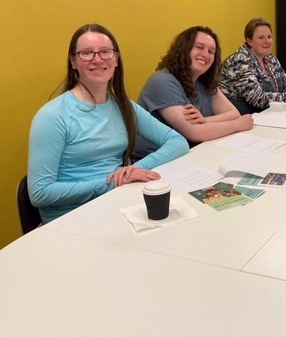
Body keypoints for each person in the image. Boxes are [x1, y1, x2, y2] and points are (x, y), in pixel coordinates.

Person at [28, 24, 189, 224]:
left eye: (105, 52)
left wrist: (133, 171)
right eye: (86, 53)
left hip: (117, 202)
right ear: (73, 62)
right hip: (72, 218)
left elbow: (177, 141)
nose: (97, 59)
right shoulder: (52, 116)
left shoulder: (122, 105)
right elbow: (40, 193)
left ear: (116, 60)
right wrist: (112, 184)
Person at [137, 26, 254, 152]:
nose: (205, 54)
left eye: (211, 51)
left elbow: (233, 113)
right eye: (199, 47)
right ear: (184, 49)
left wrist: (204, 120)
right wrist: (238, 125)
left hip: (191, 153)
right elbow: (194, 133)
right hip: (155, 161)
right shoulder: (162, 81)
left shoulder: (204, 82)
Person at [219, 18, 286, 114]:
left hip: (268, 114)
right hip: (243, 120)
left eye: (269, 37)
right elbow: (258, 99)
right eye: (261, 38)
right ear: (249, 41)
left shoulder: (269, 58)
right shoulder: (239, 62)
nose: (267, 41)